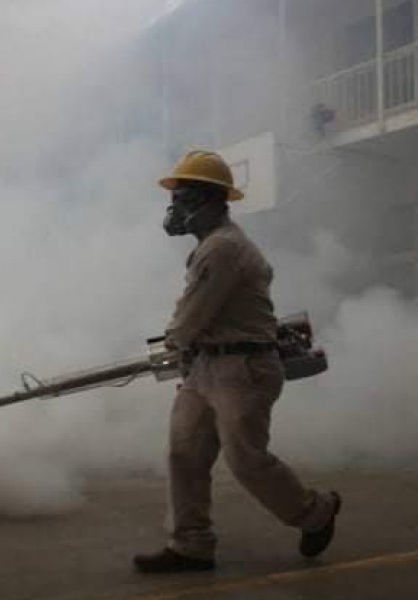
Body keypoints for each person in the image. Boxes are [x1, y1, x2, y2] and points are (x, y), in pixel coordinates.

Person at [134, 150, 341, 573]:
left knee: (246, 460)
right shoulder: (211, 246)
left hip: (241, 369)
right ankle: (191, 545)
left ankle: (316, 512)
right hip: (207, 365)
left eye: (183, 198)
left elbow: (193, 315)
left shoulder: (224, 248)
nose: (174, 209)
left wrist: (174, 345)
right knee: (184, 453)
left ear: (209, 201)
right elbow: (195, 316)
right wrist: (188, 360)